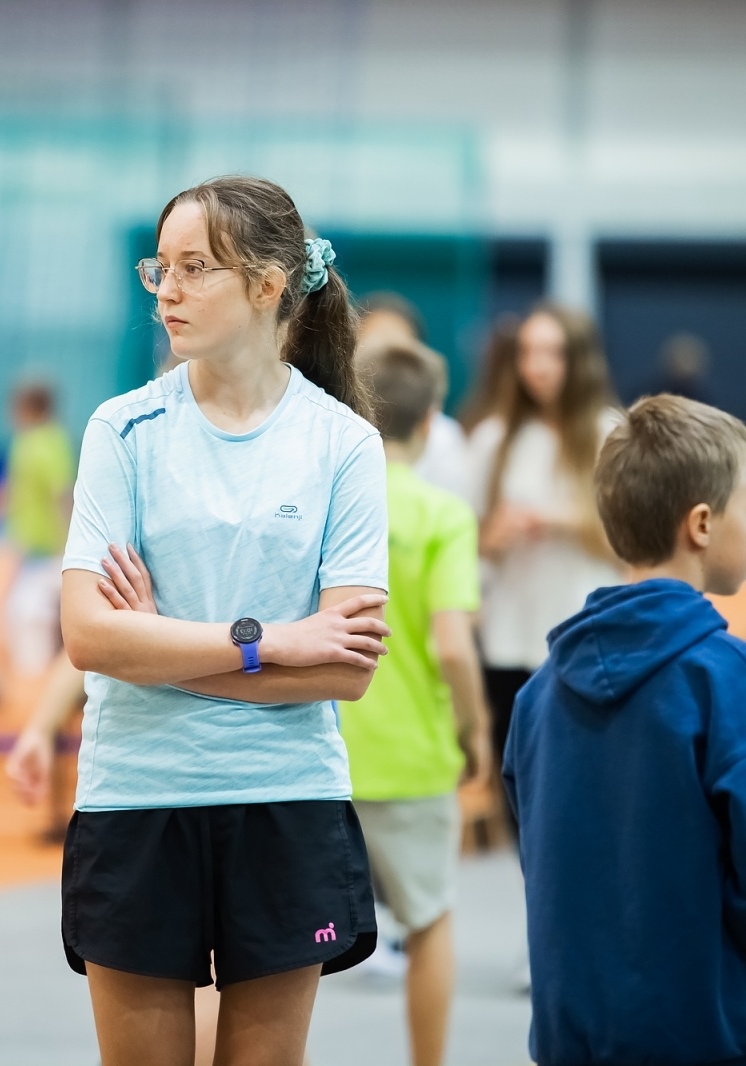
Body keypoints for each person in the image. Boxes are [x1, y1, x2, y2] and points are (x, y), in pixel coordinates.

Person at [56, 176, 390, 1066]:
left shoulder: (344, 444)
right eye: (158, 267)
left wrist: (157, 645)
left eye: (194, 268)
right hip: (137, 798)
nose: (166, 289)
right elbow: (90, 638)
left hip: (286, 799)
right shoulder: (120, 431)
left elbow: (346, 669)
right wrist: (268, 641)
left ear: (269, 285)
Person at [504, 394, 746, 1066]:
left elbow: (548, 872)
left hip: (573, 1037)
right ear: (702, 523)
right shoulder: (737, 681)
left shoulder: (538, 696)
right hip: (704, 1037)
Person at [339, 342, 486, 1066]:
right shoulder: (443, 514)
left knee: (293, 939)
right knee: (428, 925)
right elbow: (454, 645)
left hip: (324, 752)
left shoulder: (329, 499)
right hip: (415, 756)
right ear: (431, 423)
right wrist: (476, 727)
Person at [463, 302, 620, 835]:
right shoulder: (494, 439)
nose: (538, 366)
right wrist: (495, 537)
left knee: (589, 800)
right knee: (526, 802)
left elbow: (630, 544)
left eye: (552, 352)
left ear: (580, 360)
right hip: (510, 641)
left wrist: (560, 520)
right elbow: (467, 544)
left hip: (583, 638)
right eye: (528, 352)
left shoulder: (608, 435)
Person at [0, 381, 76, 709]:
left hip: (46, 550)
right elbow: (14, 493)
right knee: (17, 615)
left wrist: (66, 546)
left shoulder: (41, 444)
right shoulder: (40, 442)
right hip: (33, 548)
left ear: (28, 408)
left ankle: (60, 692)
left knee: (44, 623)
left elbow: (60, 496)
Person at [357, 293, 470, 500]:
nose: (385, 360)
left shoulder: (445, 438)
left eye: (398, 348)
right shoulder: (332, 425)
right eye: (374, 345)